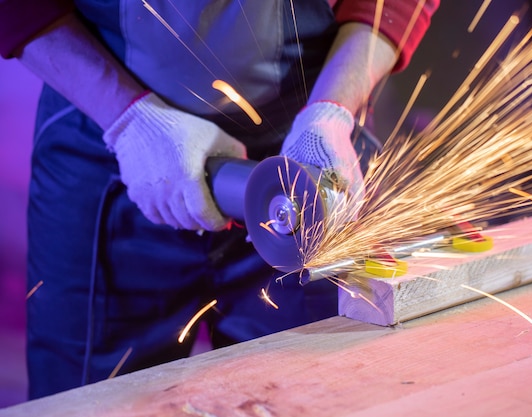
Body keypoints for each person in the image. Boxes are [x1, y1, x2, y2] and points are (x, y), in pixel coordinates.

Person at [0, 0, 439, 399]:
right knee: (90, 402)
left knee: (315, 397)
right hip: (106, 135)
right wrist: (130, 120)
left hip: (303, 141)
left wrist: (332, 110)